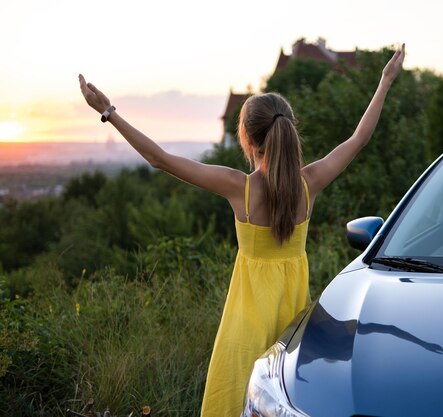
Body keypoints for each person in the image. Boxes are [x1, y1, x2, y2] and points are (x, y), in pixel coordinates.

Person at [78, 43, 405, 417]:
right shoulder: (309, 183)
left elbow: (159, 159)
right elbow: (358, 139)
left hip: (244, 332)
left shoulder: (241, 189)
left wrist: (108, 111)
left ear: (248, 140)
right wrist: (384, 80)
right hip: (293, 332)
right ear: (288, 131)